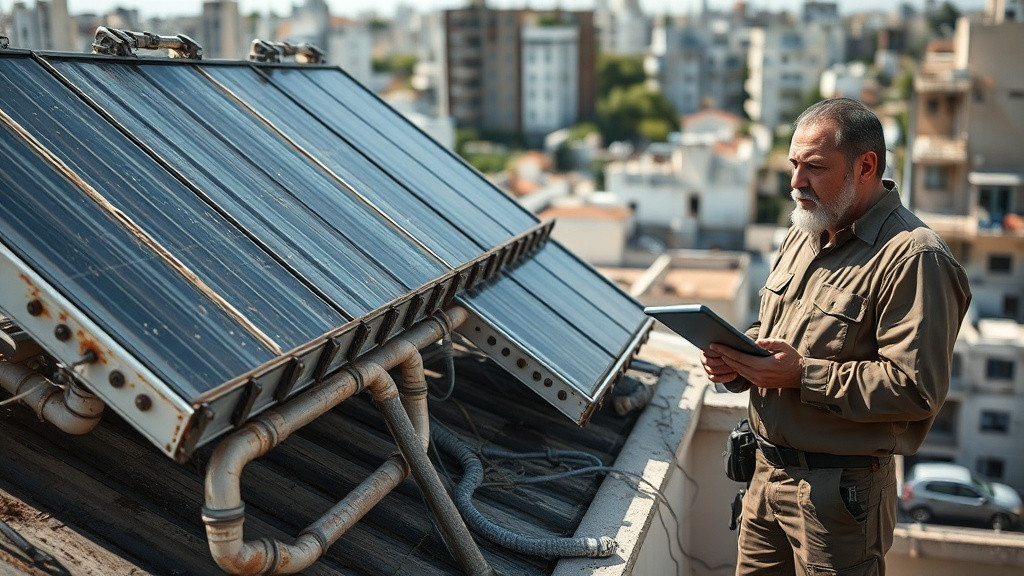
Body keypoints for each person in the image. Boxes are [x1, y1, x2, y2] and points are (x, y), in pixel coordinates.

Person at [701, 98, 971, 576]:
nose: (795, 183)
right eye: (793, 165)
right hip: (764, 478)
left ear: (865, 166)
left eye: (815, 168)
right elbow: (775, 331)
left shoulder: (913, 257)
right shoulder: (805, 231)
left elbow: (915, 389)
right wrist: (741, 360)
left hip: (836, 500)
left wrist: (802, 375)